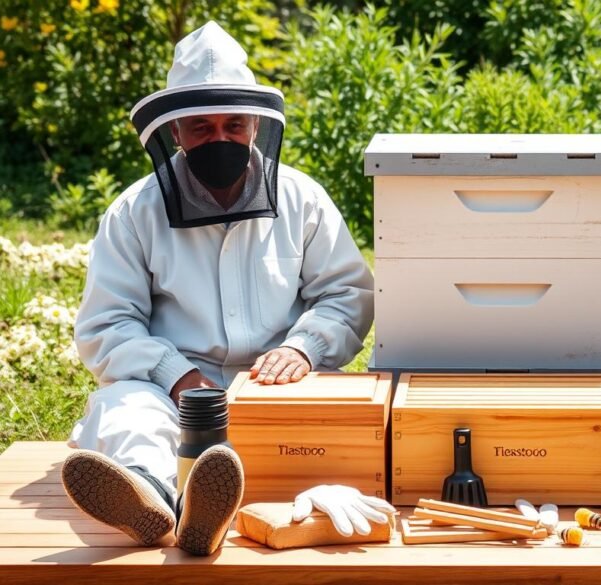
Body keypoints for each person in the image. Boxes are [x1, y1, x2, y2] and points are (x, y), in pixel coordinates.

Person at [60, 21, 393, 556]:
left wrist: (303, 347)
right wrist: (176, 376)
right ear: (175, 133)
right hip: (170, 391)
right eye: (201, 128)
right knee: (127, 411)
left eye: (233, 125)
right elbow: (107, 324)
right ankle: (153, 498)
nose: (220, 139)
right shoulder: (134, 211)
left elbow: (347, 294)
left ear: (256, 126)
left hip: (282, 386)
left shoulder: (301, 198)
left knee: (326, 439)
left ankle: (199, 502)